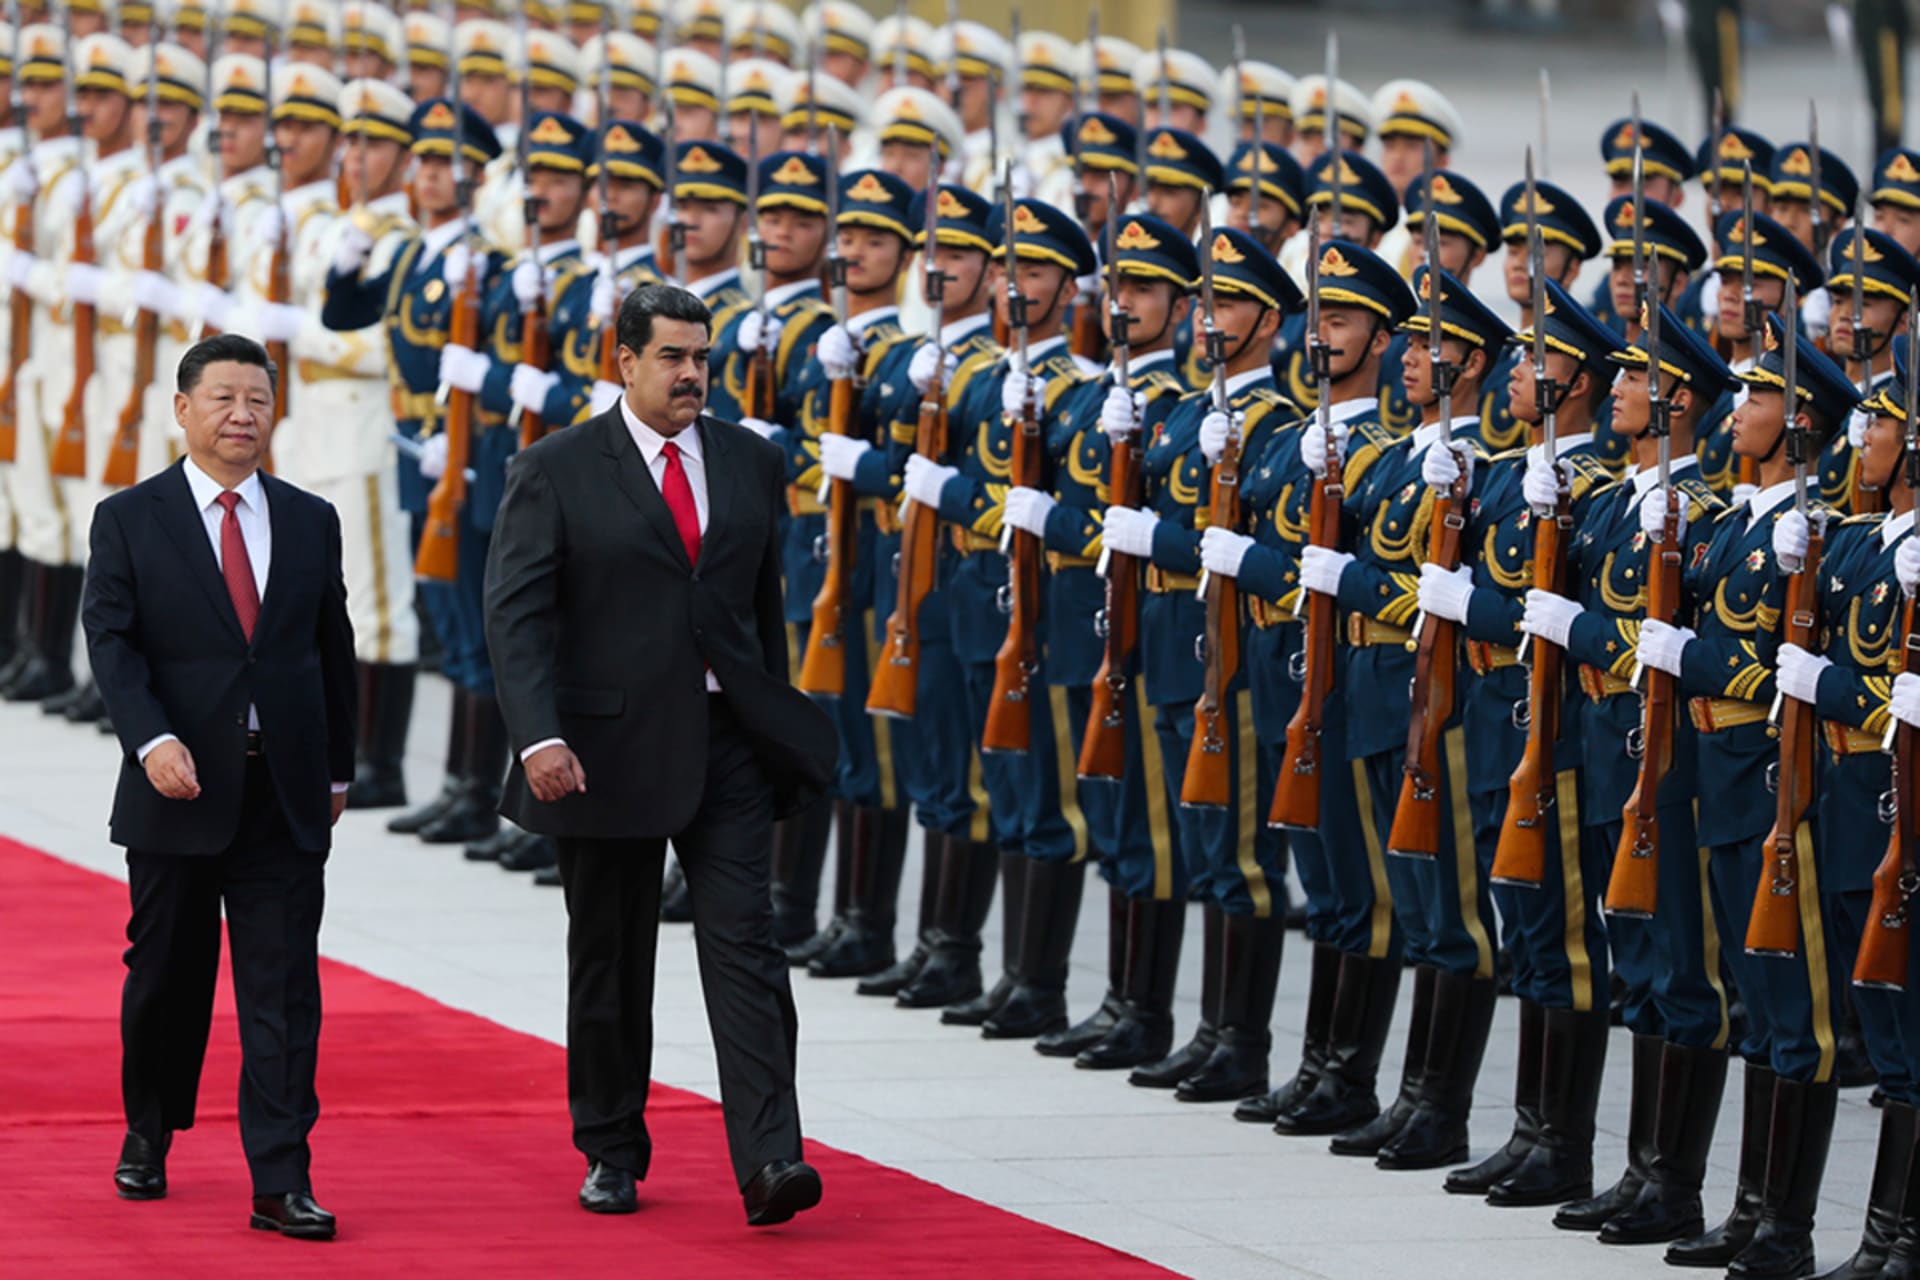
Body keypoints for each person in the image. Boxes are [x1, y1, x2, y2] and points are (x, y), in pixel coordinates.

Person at [484, 282, 836, 1223]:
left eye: (702, 358)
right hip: (602, 751)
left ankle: (771, 1159)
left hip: (727, 745)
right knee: (611, 955)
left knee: (747, 945)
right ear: (626, 361)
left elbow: (760, 611)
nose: (691, 375)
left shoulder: (751, 462)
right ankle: (610, 1148)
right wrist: (538, 736)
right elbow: (515, 616)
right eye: (673, 357)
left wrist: (769, 720)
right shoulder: (555, 468)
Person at [81, 333, 356, 1240]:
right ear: (183, 409)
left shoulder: (310, 519)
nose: (243, 415)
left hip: (282, 791)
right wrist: (149, 739)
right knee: (168, 975)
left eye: (258, 400)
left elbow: (332, 651)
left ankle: (281, 1178)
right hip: (179, 787)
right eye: (224, 399)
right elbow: (112, 642)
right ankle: (150, 1128)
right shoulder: (130, 517)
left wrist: (339, 768)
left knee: (283, 988)